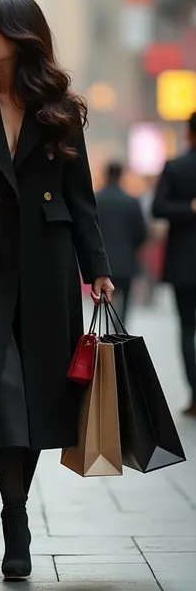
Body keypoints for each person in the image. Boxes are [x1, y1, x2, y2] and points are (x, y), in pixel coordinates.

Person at [0, 0, 114, 581]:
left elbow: (81, 198)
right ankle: (15, 518)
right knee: (2, 394)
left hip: (48, 265)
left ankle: (14, 512)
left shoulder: (59, 109)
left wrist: (98, 268)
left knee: (41, 399)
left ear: (21, 35)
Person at [152, 110, 196, 417]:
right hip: (184, 266)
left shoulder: (176, 167)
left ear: (189, 133)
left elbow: (158, 208)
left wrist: (188, 208)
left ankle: (195, 393)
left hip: (184, 265)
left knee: (187, 329)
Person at [96, 161, 147, 323]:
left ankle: (106, 333)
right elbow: (142, 233)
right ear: (120, 176)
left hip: (102, 261)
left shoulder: (96, 200)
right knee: (124, 301)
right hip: (126, 261)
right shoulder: (131, 202)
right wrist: (131, 248)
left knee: (103, 299)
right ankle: (121, 329)